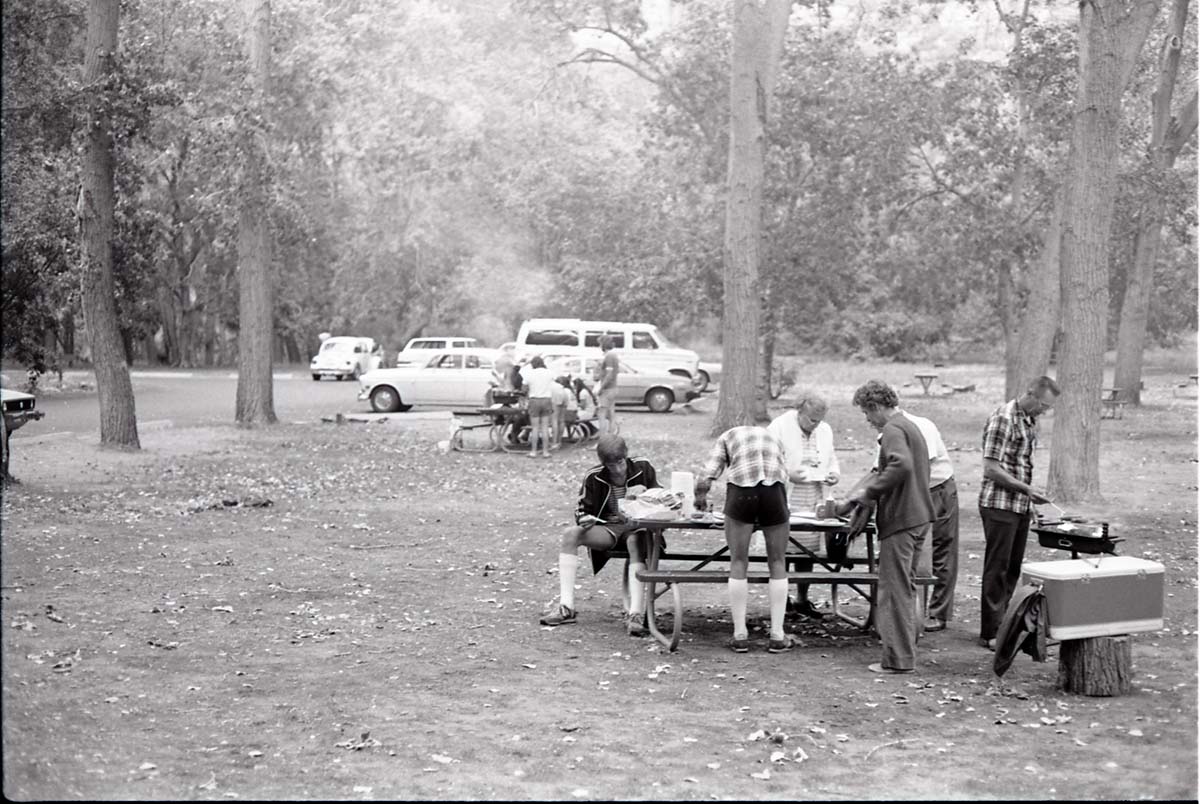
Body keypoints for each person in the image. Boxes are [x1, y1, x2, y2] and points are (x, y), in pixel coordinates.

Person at [847, 380, 933, 674]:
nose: (867, 420)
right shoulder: (911, 426)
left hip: (902, 519)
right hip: (919, 516)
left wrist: (869, 494)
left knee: (894, 591)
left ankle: (897, 660)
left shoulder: (894, 430)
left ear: (876, 407)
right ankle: (904, 654)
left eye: (866, 413)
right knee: (905, 589)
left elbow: (900, 465)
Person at [538, 435, 661, 636]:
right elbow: (581, 510)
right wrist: (585, 519)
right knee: (571, 534)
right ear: (603, 464)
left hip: (638, 527)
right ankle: (566, 606)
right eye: (611, 466)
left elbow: (666, 501)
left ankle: (636, 613)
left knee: (635, 540)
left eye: (620, 463)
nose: (617, 469)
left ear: (626, 456)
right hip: (608, 527)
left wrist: (646, 493)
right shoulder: (594, 476)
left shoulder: (643, 467)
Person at [694, 425, 795, 653]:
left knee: (738, 561)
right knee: (777, 561)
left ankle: (740, 634)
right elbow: (784, 472)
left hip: (741, 492)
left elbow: (708, 474)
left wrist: (699, 496)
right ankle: (777, 635)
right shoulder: (773, 436)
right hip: (774, 492)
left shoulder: (728, 436)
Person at [977, 375, 1060, 650]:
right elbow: (991, 467)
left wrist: (1030, 501)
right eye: (1044, 406)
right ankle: (990, 631)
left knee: (1012, 569)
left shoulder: (1029, 420)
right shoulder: (1004, 418)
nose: (1044, 412)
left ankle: (1004, 623)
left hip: (1019, 506)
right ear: (1031, 394)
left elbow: (1020, 464)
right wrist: (1025, 489)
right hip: (999, 505)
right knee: (997, 569)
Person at [767, 392, 841, 621]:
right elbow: (768, 459)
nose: (816, 424)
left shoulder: (824, 430)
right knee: (785, 547)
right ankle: (783, 599)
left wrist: (832, 474)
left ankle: (802, 597)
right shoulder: (779, 426)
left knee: (808, 550)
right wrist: (788, 475)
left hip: (813, 494)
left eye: (819, 420)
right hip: (787, 494)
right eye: (811, 420)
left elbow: (831, 457)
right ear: (799, 411)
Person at [896, 407, 959, 633]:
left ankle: (938, 612)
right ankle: (911, 610)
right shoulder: (886, 432)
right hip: (912, 490)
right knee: (914, 550)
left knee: (943, 548)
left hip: (937, 488)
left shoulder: (923, 426)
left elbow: (923, 464)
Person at [520, 356, 555, 458]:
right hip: (546, 400)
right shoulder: (549, 373)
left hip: (534, 400)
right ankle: (545, 452)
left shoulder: (529, 374)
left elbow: (524, 389)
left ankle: (534, 451)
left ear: (533, 364)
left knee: (535, 428)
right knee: (544, 427)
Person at [593, 335, 620, 435]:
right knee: (611, 414)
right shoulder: (614, 355)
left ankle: (602, 440)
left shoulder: (609, 356)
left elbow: (609, 374)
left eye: (600, 344)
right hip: (614, 388)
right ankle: (612, 437)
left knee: (602, 414)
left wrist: (601, 387)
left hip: (607, 389)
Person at [550, 376, 571, 449]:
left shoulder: (547, 384)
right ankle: (559, 441)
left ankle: (554, 442)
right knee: (561, 420)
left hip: (555, 395)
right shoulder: (560, 386)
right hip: (563, 393)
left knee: (554, 419)